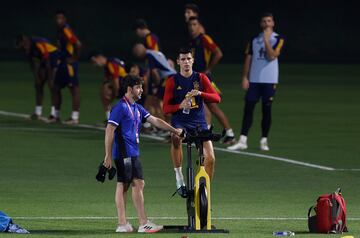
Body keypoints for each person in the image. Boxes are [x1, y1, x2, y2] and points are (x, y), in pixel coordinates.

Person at [103, 75, 183, 233]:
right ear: (129, 89)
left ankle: (127, 224)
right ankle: (136, 223)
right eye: (138, 87)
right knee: (127, 184)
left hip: (132, 152)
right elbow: (109, 130)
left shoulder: (136, 107)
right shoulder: (120, 107)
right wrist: (108, 155)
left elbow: (155, 120)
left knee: (133, 184)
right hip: (124, 152)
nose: (141, 90)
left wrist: (174, 130)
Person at [163, 47, 220, 197]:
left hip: (199, 123)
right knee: (175, 138)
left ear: (193, 60)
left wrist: (201, 93)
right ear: (178, 62)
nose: (186, 62)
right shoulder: (172, 81)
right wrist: (179, 106)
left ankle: (204, 191)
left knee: (211, 158)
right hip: (180, 122)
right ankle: (179, 177)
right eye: (183, 59)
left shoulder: (201, 78)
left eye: (189, 59)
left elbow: (217, 98)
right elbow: (165, 108)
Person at [227, 12, 284, 151]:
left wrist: (266, 40)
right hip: (254, 80)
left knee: (266, 109)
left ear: (273, 23)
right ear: (261, 24)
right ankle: (243, 140)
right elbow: (248, 58)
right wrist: (245, 77)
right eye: (264, 21)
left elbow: (272, 56)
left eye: (269, 21)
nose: (266, 24)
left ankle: (264, 140)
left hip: (269, 80)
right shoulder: (254, 39)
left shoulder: (278, 39)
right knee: (248, 108)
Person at [188, 16, 235, 144]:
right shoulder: (192, 41)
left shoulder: (204, 39)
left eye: (194, 24)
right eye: (190, 25)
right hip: (196, 79)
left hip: (205, 79)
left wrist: (208, 69)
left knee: (212, 107)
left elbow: (218, 53)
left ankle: (230, 133)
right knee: (202, 107)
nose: (192, 27)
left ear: (199, 26)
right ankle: (207, 133)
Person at [15, 35, 59, 120]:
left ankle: (53, 114)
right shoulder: (27, 49)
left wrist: (49, 77)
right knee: (38, 85)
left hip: (53, 57)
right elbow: (32, 64)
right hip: (44, 60)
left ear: (25, 40)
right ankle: (38, 112)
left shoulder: (38, 43)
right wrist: (37, 78)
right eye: (22, 48)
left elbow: (47, 60)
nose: (24, 49)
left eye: (24, 46)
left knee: (51, 85)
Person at [50, 9, 82, 124]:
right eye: (57, 18)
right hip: (62, 63)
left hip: (69, 64)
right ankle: (55, 115)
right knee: (55, 87)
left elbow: (78, 44)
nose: (59, 20)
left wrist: (74, 58)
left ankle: (74, 117)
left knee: (74, 89)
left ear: (64, 19)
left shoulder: (66, 30)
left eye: (61, 18)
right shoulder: (59, 31)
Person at [133, 43, 176, 124]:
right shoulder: (156, 52)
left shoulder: (149, 56)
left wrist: (156, 85)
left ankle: (164, 126)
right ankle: (165, 125)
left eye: (136, 53)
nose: (136, 55)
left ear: (139, 51)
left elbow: (154, 72)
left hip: (167, 78)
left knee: (157, 102)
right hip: (173, 77)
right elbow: (169, 63)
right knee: (164, 102)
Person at [90, 52, 127, 120]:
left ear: (100, 57)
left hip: (125, 85)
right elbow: (106, 80)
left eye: (95, 62)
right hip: (126, 84)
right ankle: (110, 118)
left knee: (105, 92)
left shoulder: (110, 63)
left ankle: (112, 119)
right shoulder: (109, 64)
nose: (95, 65)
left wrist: (116, 93)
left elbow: (116, 80)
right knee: (105, 89)